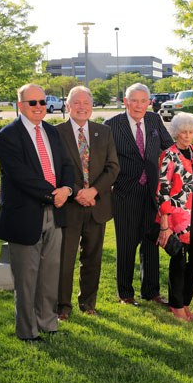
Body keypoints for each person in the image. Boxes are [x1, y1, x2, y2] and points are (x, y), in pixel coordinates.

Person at [0, 84, 74, 341]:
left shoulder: (52, 132)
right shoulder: (7, 136)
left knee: (50, 274)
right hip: (24, 215)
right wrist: (55, 193)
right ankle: (27, 332)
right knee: (27, 280)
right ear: (20, 106)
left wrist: (67, 189)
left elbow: (65, 164)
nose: (39, 106)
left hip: (56, 211)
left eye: (42, 102)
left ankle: (48, 323)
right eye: (33, 103)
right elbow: (22, 177)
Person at [105, 83, 174, 307]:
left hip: (152, 194)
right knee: (126, 245)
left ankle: (151, 291)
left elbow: (169, 148)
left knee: (151, 243)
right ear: (126, 102)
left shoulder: (154, 120)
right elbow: (105, 160)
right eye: (134, 100)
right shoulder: (112, 125)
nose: (138, 105)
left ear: (149, 102)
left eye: (143, 100)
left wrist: (190, 162)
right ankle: (125, 293)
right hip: (125, 193)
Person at [56, 86, 120, 320]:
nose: (82, 107)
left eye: (86, 103)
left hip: (97, 205)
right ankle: (62, 306)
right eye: (77, 102)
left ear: (92, 107)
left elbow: (113, 167)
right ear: (68, 106)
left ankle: (88, 303)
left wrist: (93, 191)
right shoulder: (56, 133)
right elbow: (54, 169)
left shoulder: (103, 132)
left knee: (92, 258)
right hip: (69, 206)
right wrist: (76, 193)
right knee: (65, 259)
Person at [155, 113, 193, 321]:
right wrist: (164, 224)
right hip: (177, 217)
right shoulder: (168, 155)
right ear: (175, 133)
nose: (187, 136)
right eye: (183, 132)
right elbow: (162, 189)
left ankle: (185, 303)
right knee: (179, 260)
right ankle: (176, 305)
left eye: (191, 132)